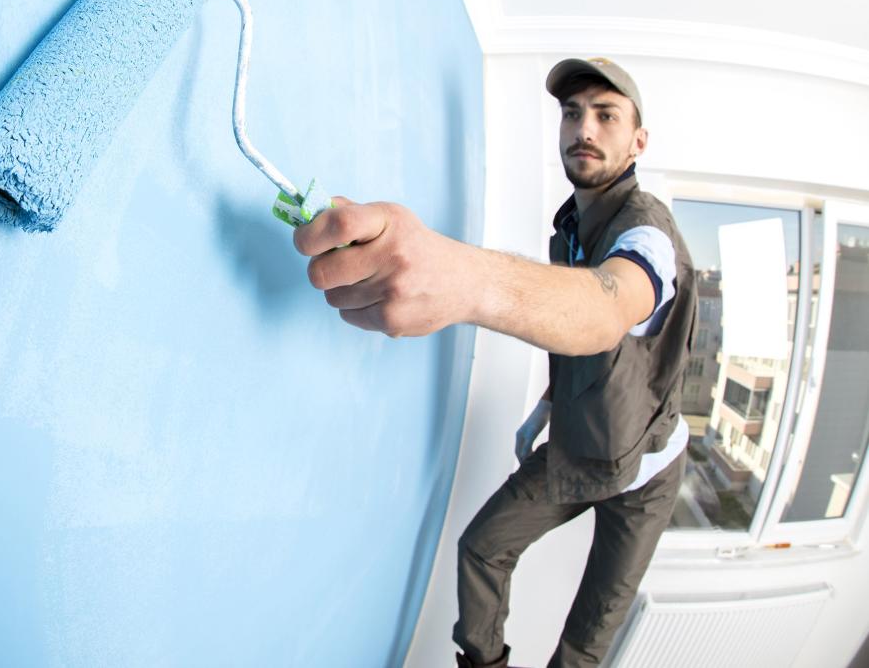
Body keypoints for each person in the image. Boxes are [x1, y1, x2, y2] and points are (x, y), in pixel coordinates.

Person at [293, 58, 696, 668]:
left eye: (606, 115)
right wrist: (551, 403)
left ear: (639, 141)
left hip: (648, 472)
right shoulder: (570, 228)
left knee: (584, 646)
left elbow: (607, 307)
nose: (584, 127)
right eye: (571, 112)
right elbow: (581, 338)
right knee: (481, 549)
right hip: (581, 448)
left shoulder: (649, 233)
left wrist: (465, 282)